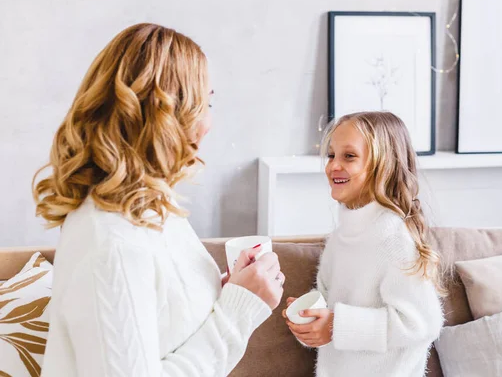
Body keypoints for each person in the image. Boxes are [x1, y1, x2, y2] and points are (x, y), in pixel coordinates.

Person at [34, 23, 284, 376]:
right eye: (204, 103)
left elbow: (163, 320)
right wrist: (239, 309)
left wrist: (224, 291)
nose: (209, 122)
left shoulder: (149, 210)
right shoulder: (113, 242)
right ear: (165, 116)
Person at [283, 111, 444, 376]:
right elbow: (328, 304)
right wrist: (311, 320)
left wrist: (336, 325)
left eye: (349, 156)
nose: (333, 165)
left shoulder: (393, 239)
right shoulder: (340, 238)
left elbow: (422, 322)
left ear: (384, 165)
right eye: (332, 155)